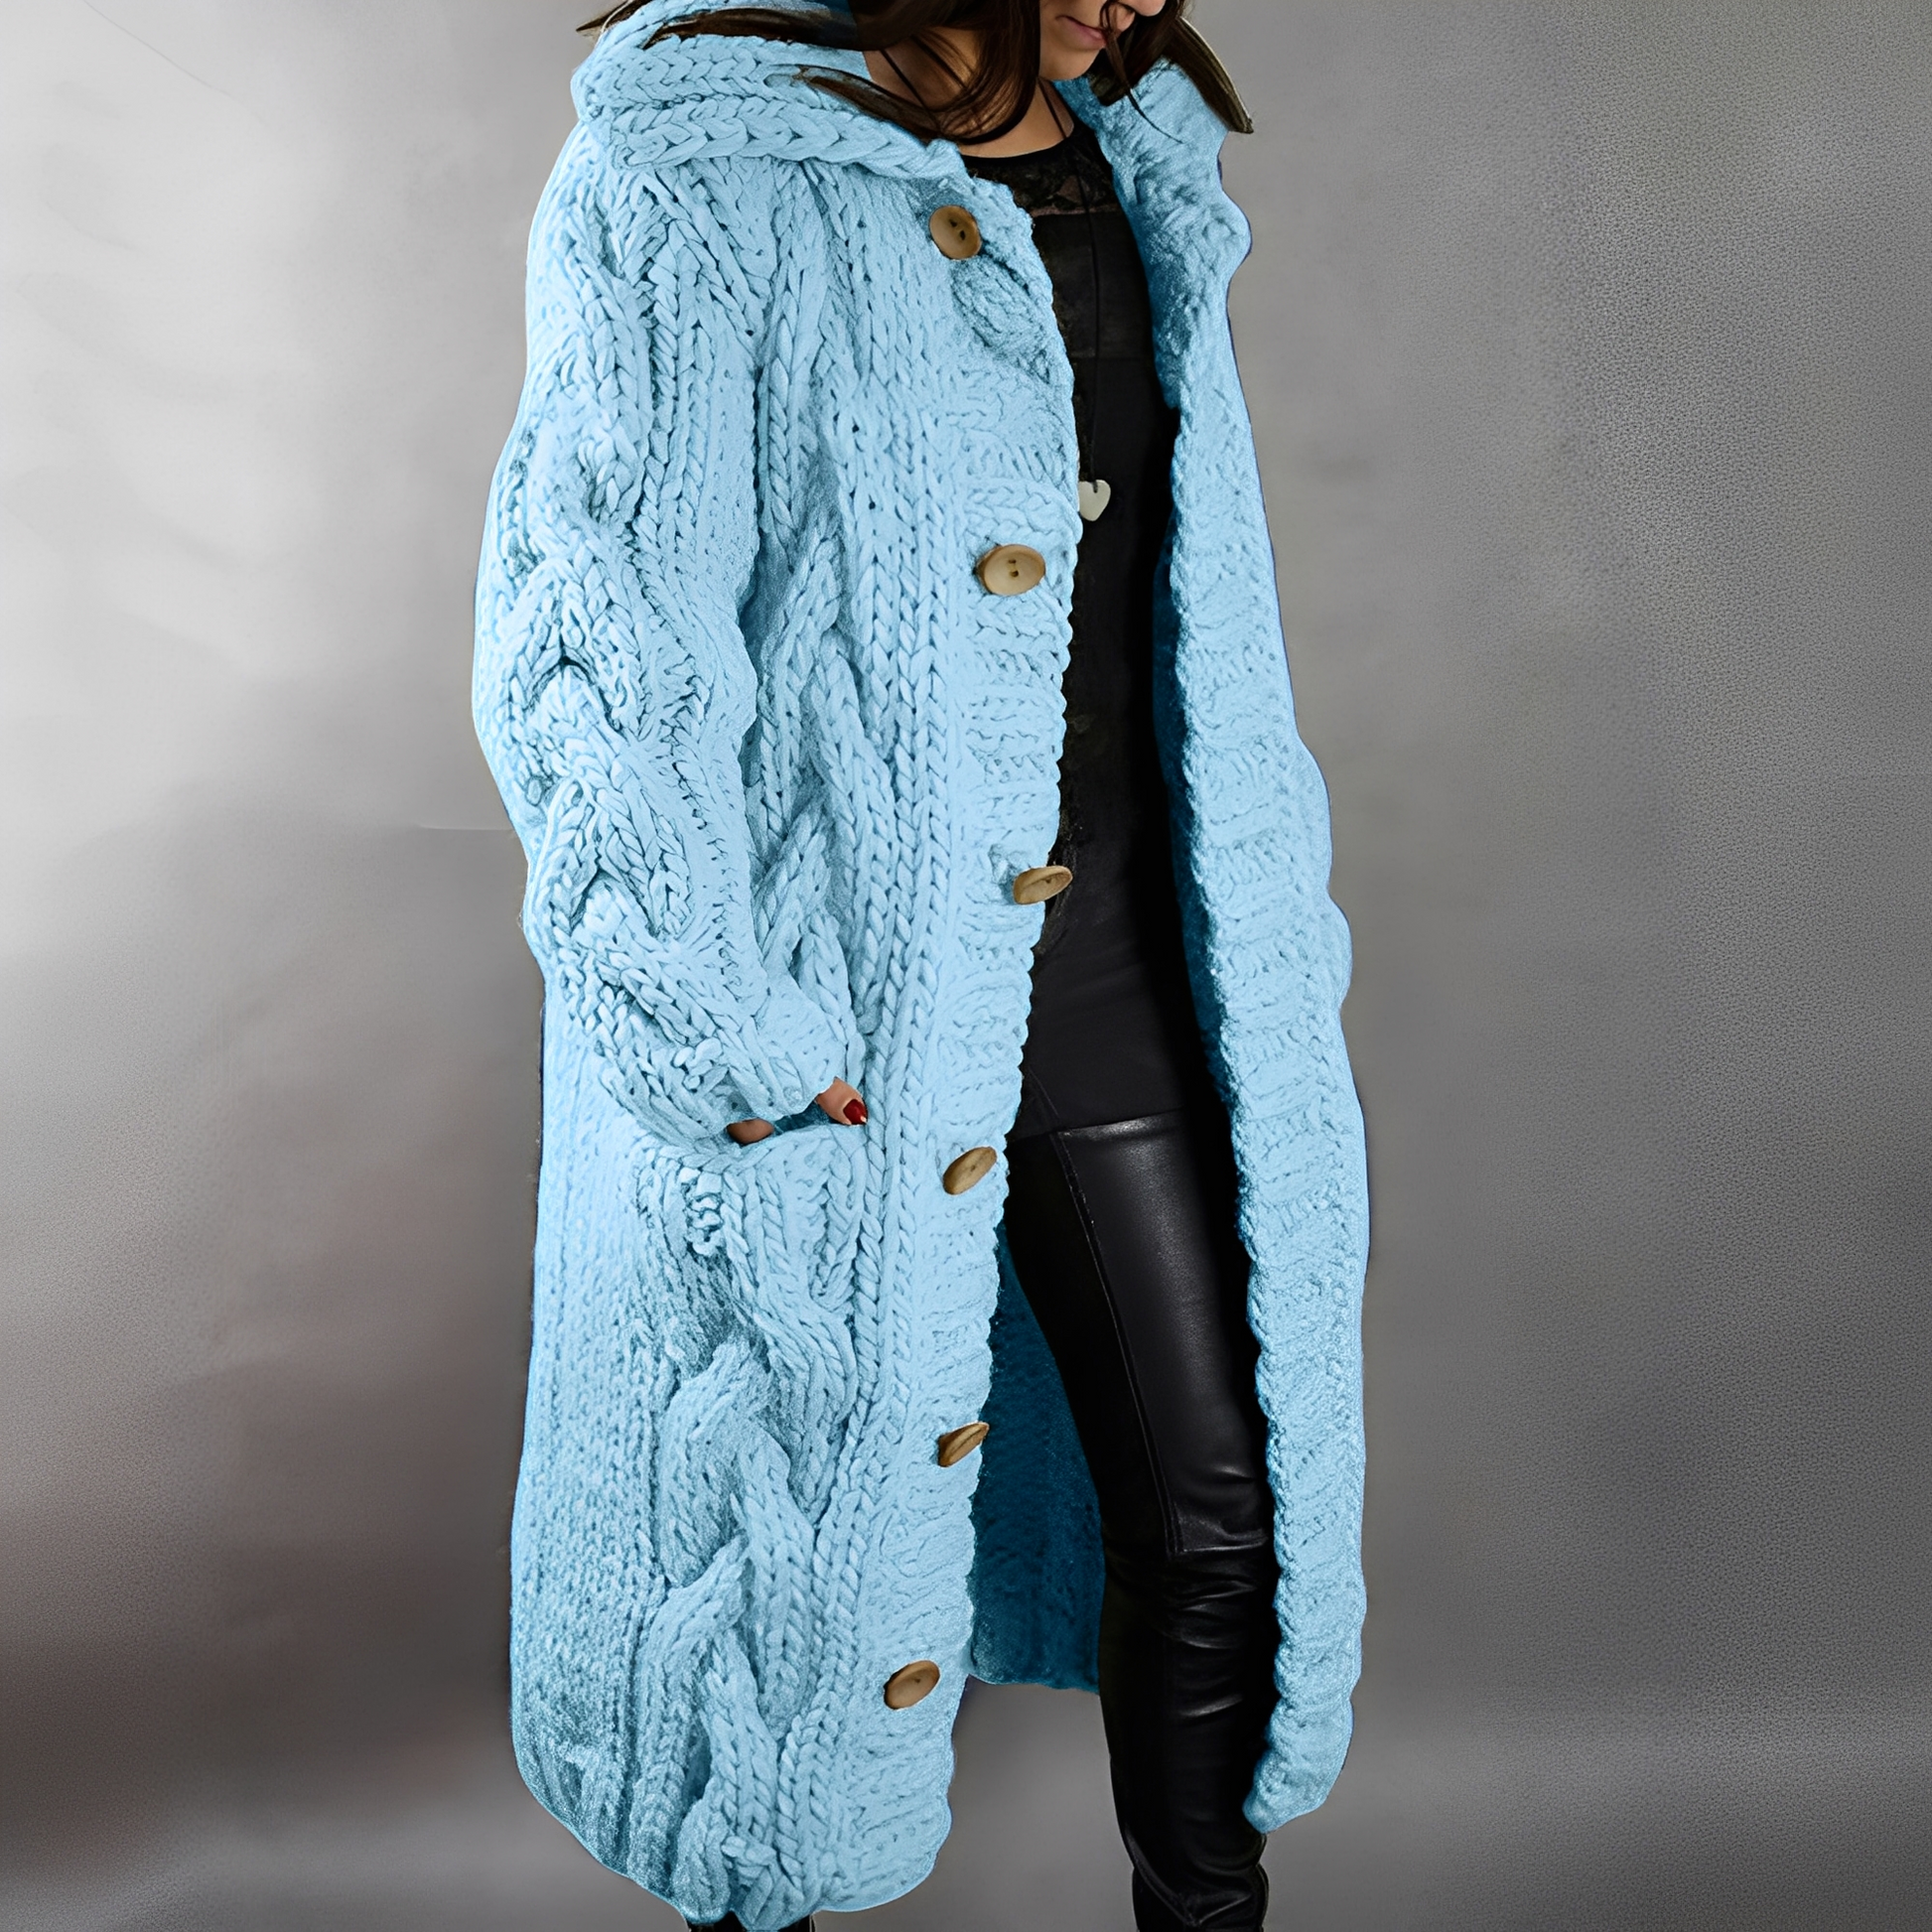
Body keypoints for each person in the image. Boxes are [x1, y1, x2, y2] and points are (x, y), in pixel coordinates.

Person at [473, 3, 1368, 1928]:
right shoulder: (694, 167)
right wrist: (716, 1026)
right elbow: (595, 645)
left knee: (1222, 1512)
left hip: (1132, 963)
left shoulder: (1125, 153)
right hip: (839, 998)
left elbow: (1181, 598)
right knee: (779, 1578)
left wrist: (1276, 906)